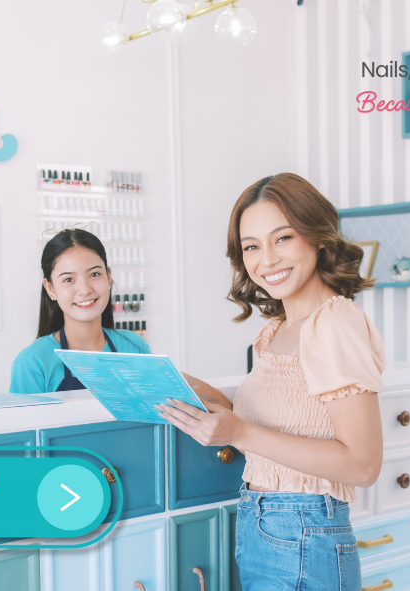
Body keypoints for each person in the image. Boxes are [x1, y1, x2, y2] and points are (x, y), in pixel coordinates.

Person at [156, 173, 385, 591]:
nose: (268, 260)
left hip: (304, 532)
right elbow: (280, 433)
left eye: (283, 238)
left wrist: (239, 432)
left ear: (317, 238)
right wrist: (198, 393)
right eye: (252, 247)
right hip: (266, 525)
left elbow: (363, 464)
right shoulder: (276, 329)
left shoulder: (334, 323)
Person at [10, 228, 150, 394]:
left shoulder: (135, 346)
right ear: (50, 288)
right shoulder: (32, 364)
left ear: (108, 277)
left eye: (94, 274)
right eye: (68, 279)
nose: (84, 290)